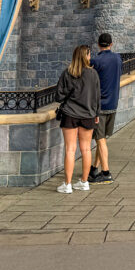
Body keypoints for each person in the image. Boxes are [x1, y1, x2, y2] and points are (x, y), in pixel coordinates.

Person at [55, 44, 101, 193]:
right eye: (89, 54)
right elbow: (97, 97)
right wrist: (97, 114)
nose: (90, 57)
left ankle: (67, 184)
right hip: (88, 115)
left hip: (70, 114)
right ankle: (84, 181)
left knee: (70, 149)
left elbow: (59, 96)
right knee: (86, 149)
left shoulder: (68, 73)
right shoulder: (93, 74)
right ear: (85, 56)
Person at [89, 33, 122, 184]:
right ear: (111, 44)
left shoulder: (95, 61)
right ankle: (94, 168)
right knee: (101, 138)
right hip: (113, 103)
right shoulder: (118, 58)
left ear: (98, 44)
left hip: (100, 106)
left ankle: (106, 172)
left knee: (100, 139)